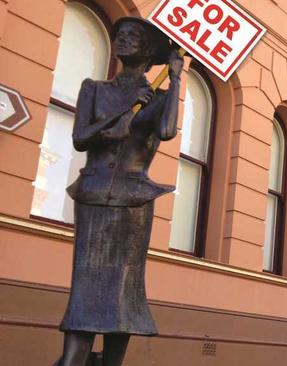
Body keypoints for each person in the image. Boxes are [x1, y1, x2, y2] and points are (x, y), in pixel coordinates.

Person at [54, 16, 184, 366]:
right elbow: (81, 138)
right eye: (120, 35)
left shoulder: (157, 97)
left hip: (133, 203)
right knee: (86, 290)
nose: (123, 40)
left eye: (133, 36)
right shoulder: (93, 89)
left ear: (150, 49)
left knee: (123, 297)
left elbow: (168, 130)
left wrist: (174, 81)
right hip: (94, 196)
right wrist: (119, 120)